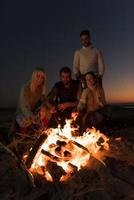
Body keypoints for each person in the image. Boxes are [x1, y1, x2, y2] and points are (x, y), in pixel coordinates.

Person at [13, 67, 47, 135]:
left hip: (34, 112)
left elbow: (43, 103)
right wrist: (31, 116)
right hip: (22, 113)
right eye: (38, 76)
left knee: (46, 114)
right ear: (33, 76)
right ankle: (23, 135)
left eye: (42, 77)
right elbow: (23, 107)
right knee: (24, 121)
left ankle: (42, 132)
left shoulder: (40, 90)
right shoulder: (25, 88)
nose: (40, 79)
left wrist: (43, 109)